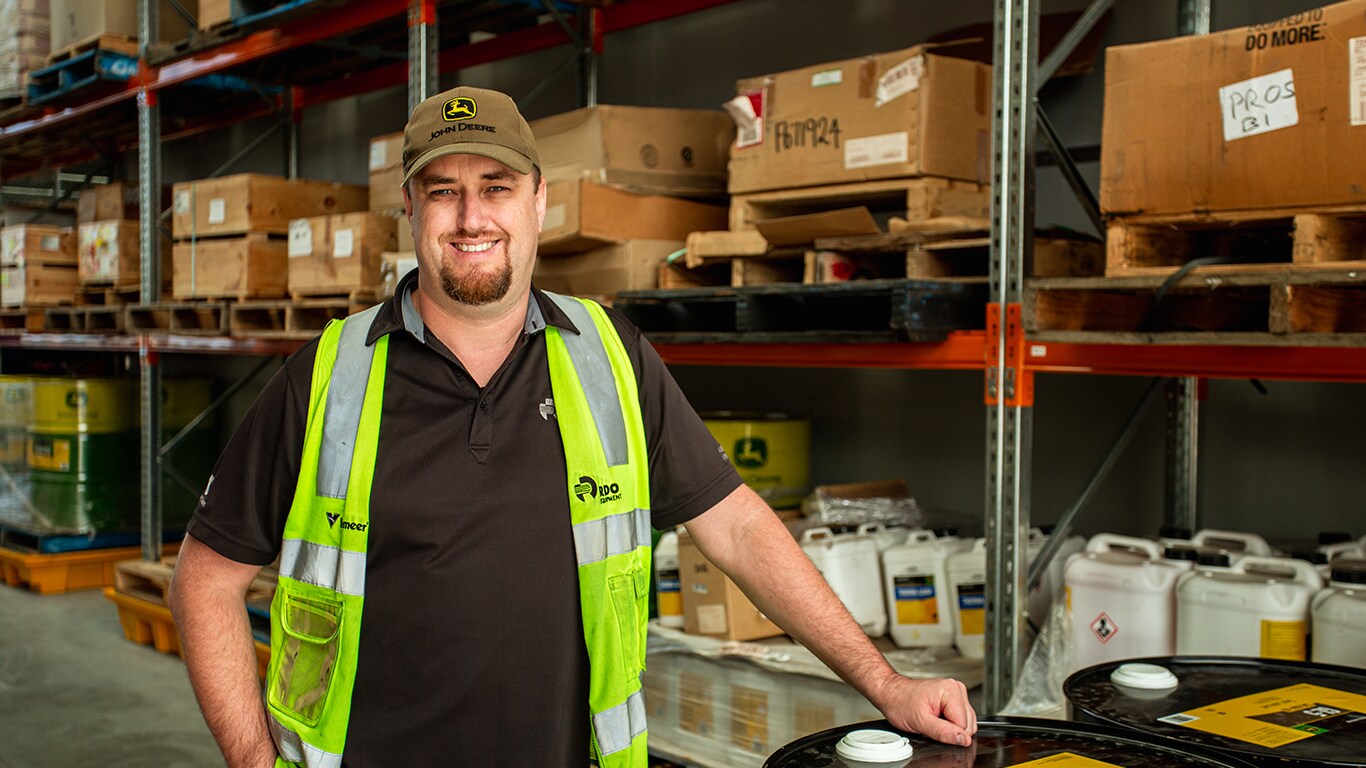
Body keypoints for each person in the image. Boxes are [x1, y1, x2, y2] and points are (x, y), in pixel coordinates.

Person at [168, 85, 977, 768]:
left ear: (539, 202)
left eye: (496, 186)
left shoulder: (610, 357)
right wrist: (254, 761)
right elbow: (206, 578)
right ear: (408, 208)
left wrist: (885, 683)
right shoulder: (330, 374)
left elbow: (735, 527)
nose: (470, 215)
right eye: (443, 190)